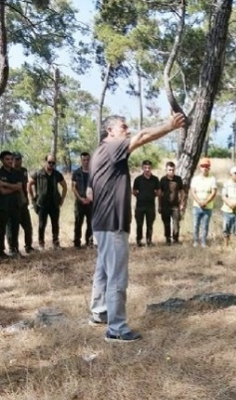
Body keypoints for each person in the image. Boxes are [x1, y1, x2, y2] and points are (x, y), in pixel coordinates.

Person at [89, 112, 185, 342]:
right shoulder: (111, 147)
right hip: (112, 223)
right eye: (123, 127)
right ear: (110, 131)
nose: (128, 130)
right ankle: (117, 329)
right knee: (117, 277)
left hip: (102, 223)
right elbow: (142, 136)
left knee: (103, 271)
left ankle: (99, 312)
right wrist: (169, 126)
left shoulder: (99, 153)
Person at [28, 155, 67, 250]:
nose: (51, 165)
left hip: (54, 203)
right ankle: (41, 244)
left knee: (55, 224)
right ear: (45, 161)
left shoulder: (57, 174)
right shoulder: (38, 173)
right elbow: (29, 185)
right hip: (42, 204)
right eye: (49, 162)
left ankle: (56, 243)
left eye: (53, 163)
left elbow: (64, 186)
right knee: (42, 224)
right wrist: (33, 200)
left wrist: (62, 199)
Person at [0, 151, 22, 258]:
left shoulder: (17, 172)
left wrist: (5, 184)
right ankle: (0, 251)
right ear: (2, 160)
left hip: (15, 204)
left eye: (11, 159)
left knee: (15, 228)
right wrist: (14, 187)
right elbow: (2, 192)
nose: (10, 161)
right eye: (7, 159)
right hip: (3, 205)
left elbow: (19, 187)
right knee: (2, 228)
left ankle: (14, 249)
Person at [9, 152, 36, 254]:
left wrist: (27, 198)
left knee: (28, 226)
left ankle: (28, 246)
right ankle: (13, 249)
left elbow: (25, 185)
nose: (18, 161)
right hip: (13, 203)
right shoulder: (9, 172)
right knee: (13, 228)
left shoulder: (24, 171)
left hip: (23, 202)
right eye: (16, 159)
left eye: (19, 159)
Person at [190, 158, 218, 248]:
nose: (204, 168)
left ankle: (203, 242)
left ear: (209, 168)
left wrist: (205, 202)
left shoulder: (212, 179)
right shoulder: (195, 179)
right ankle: (195, 242)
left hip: (207, 206)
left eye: (206, 166)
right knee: (195, 225)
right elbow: (193, 191)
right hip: (196, 206)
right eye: (203, 166)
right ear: (200, 167)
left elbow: (213, 192)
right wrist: (199, 201)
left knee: (205, 225)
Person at [133, 160, 161, 246]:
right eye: (145, 167)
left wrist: (152, 195)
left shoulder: (155, 179)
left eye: (149, 168)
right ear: (142, 168)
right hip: (140, 206)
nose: (147, 169)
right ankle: (139, 240)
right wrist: (140, 196)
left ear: (151, 168)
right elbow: (134, 191)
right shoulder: (138, 179)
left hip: (150, 205)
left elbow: (158, 192)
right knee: (139, 224)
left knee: (150, 224)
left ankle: (149, 240)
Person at [158, 161, 185, 245]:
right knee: (166, 223)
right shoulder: (162, 180)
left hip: (175, 205)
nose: (171, 172)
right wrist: (159, 205)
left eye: (173, 170)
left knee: (176, 223)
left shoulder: (178, 179)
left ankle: (175, 239)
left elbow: (182, 192)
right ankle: (167, 239)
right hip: (165, 205)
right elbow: (159, 194)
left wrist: (182, 203)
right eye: (169, 170)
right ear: (166, 170)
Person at [71, 152, 93, 249]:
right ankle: (77, 243)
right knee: (78, 223)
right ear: (81, 160)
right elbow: (73, 187)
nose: (86, 162)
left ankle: (89, 242)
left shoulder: (94, 173)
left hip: (91, 202)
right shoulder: (76, 173)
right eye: (84, 160)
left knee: (91, 223)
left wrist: (90, 199)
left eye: (88, 159)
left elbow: (97, 187)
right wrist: (80, 199)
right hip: (79, 202)